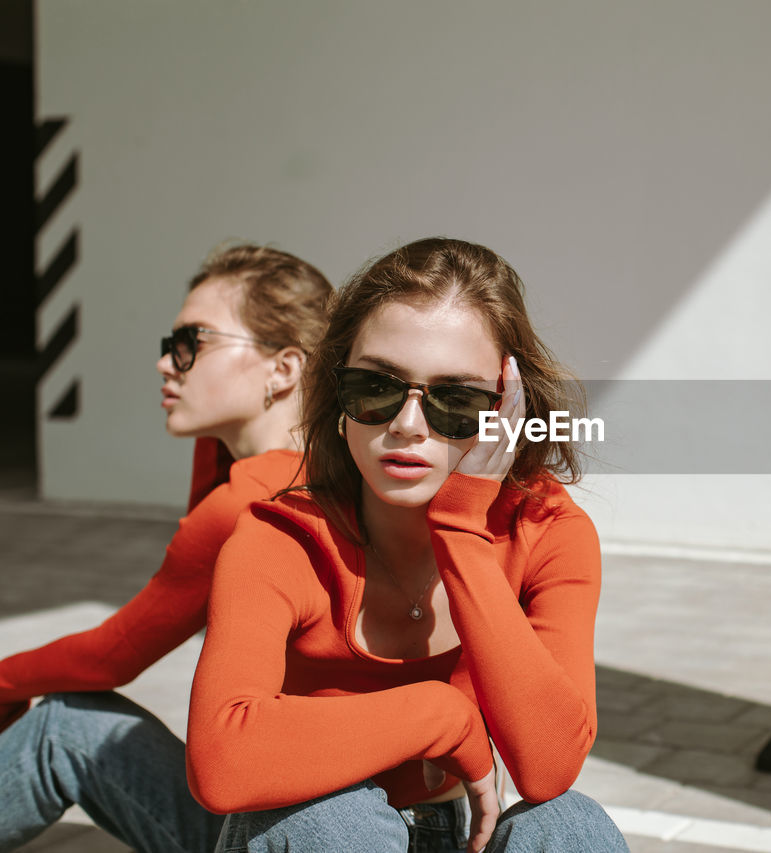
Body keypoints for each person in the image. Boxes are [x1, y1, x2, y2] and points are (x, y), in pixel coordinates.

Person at [185, 237, 628, 852]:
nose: (407, 426)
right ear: (338, 399)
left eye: (457, 399)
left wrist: (461, 533)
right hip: (320, 837)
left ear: (508, 410)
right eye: (376, 387)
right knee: (332, 821)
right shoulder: (279, 537)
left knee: (568, 825)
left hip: (470, 834)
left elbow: (548, 768)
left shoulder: (547, 531)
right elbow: (222, 763)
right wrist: (439, 717)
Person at [0, 244, 334, 853]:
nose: (165, 363)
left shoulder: (248, 502)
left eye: (192, 342)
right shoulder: (325, 473)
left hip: (283, 836)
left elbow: (112, 656)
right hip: (350, 820)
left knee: (62, 726)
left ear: (283, 368)